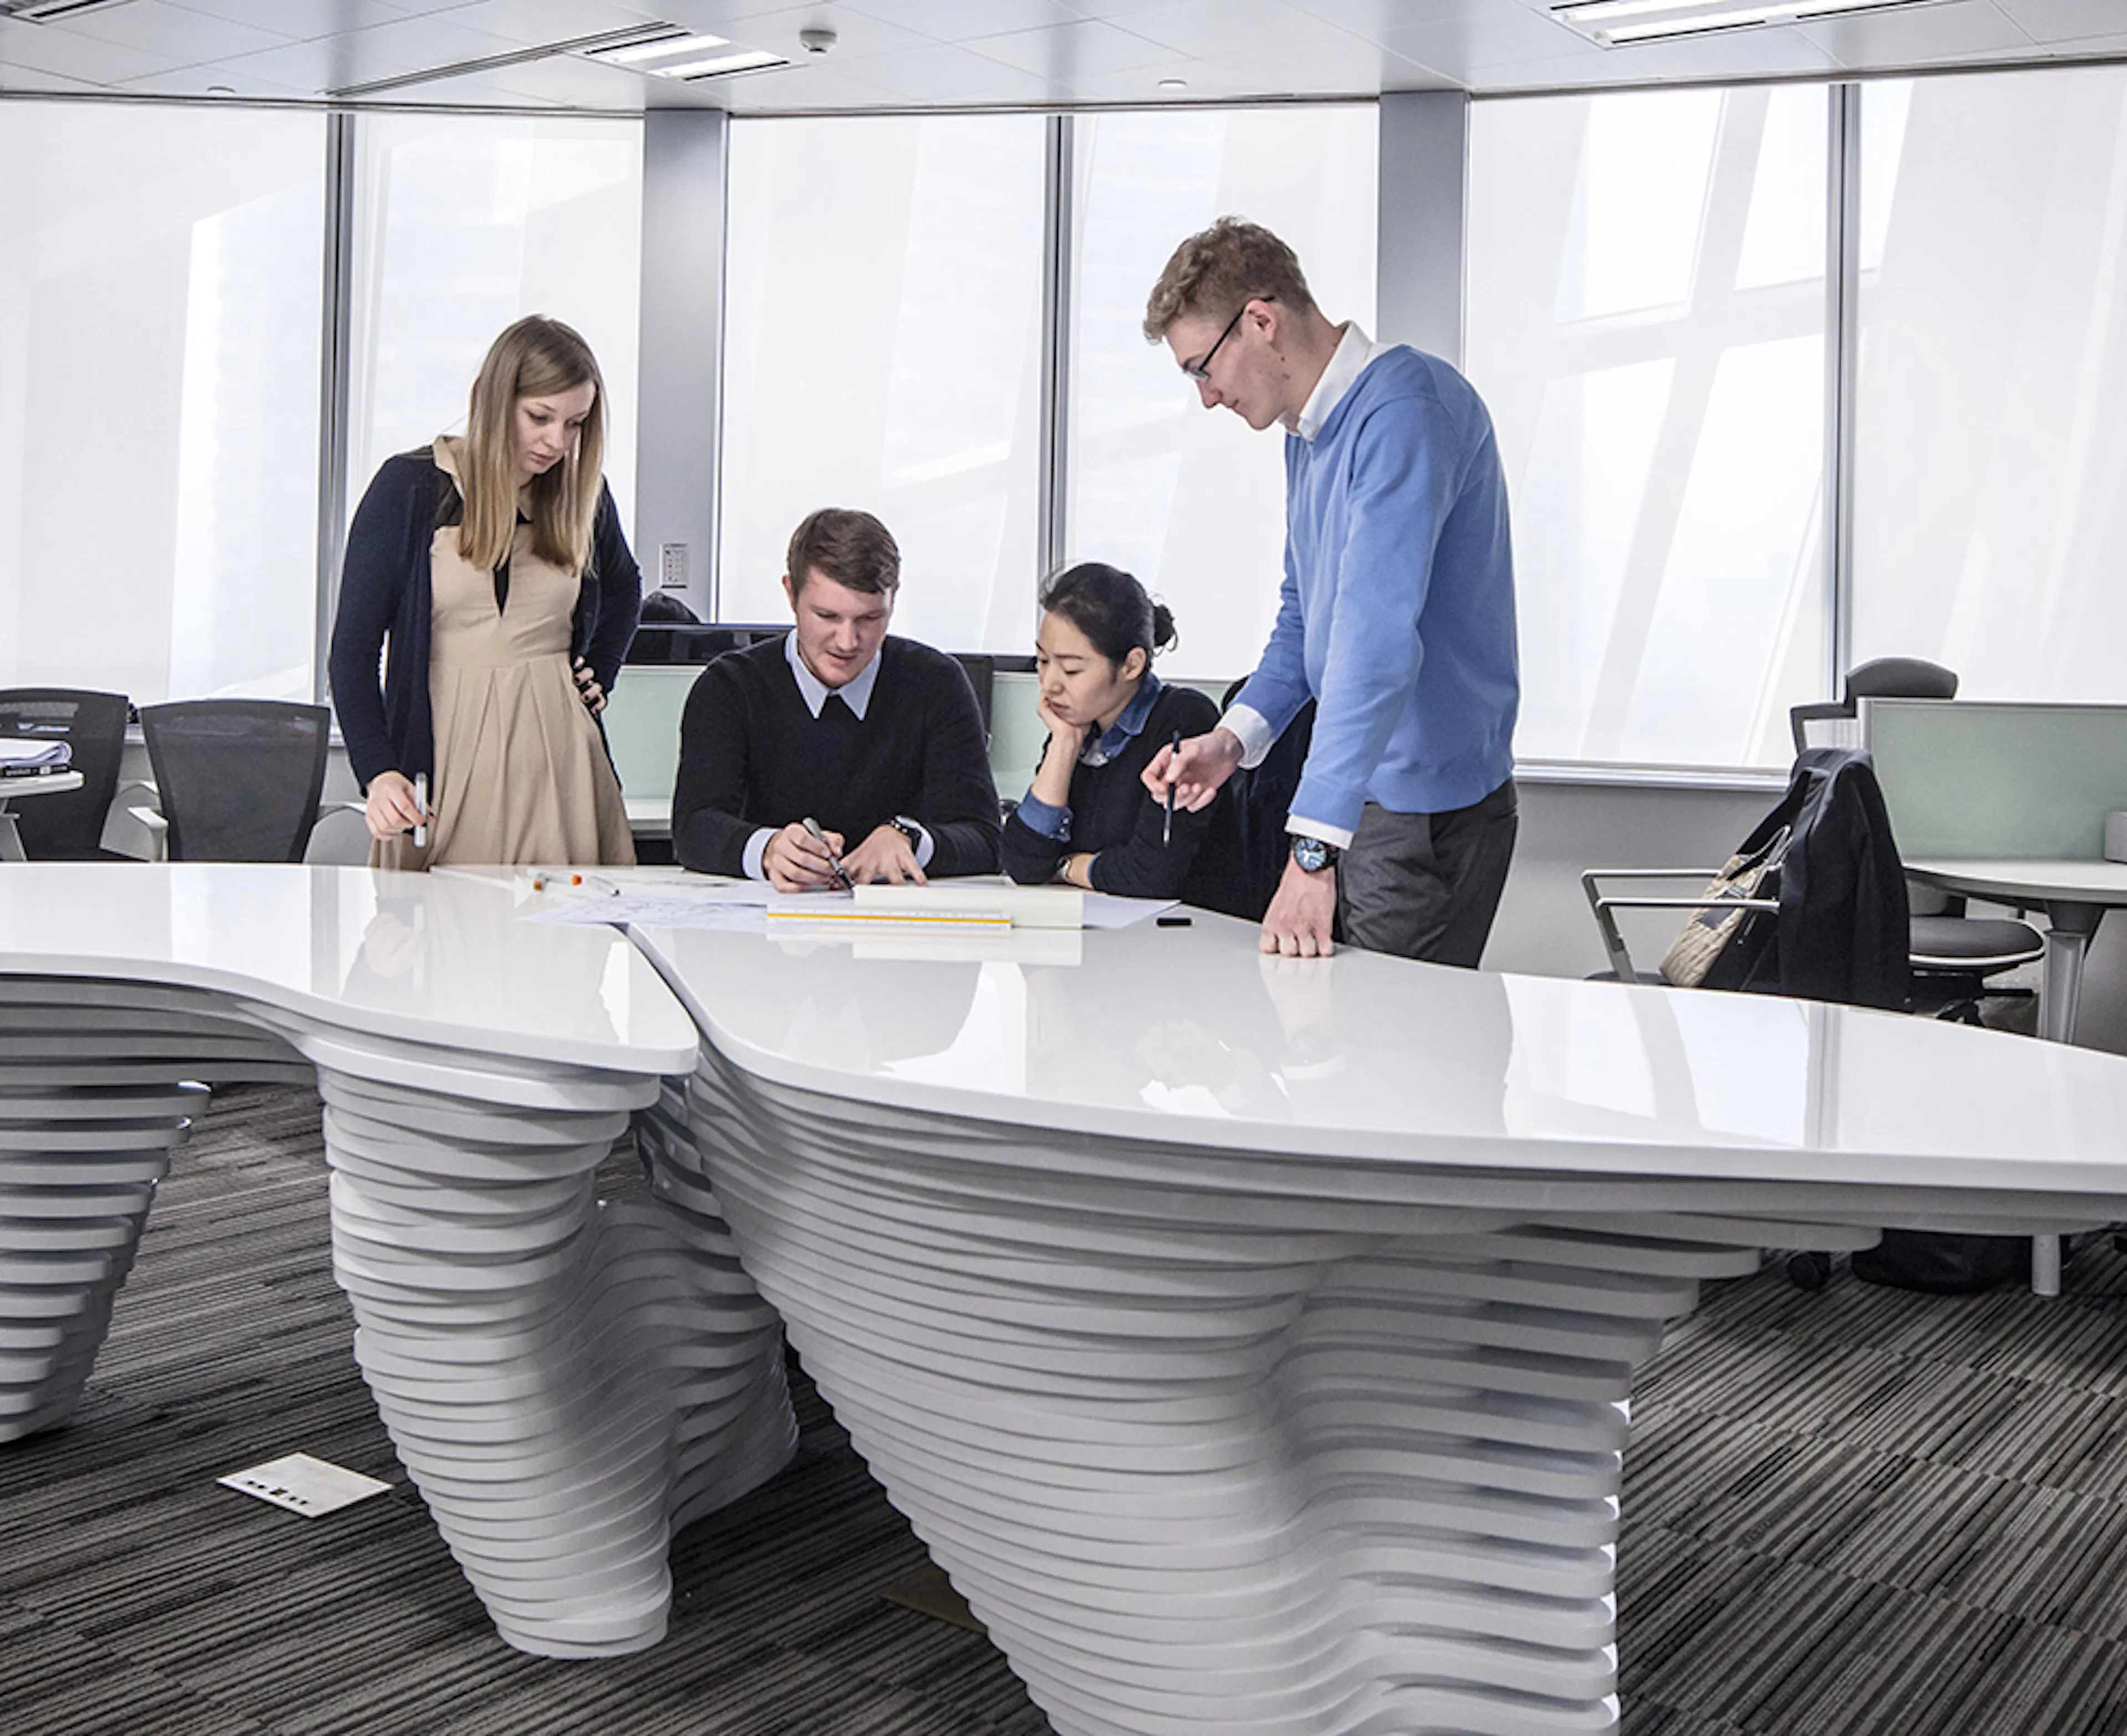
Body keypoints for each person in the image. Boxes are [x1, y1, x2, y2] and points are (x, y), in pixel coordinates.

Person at [1141, 217, 1519, 964]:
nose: (1208, 398)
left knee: (1385, 1061)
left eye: (1202, 369)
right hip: (1370, 801)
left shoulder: (1405, 412)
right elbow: (1305, 617)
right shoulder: (1308, 434)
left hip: (1418, 812)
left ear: (1260, 321)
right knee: (1345, 1046)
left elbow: (1374, 647)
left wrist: (1311, 853)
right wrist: (1234, 738)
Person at [328, 314, 641, 870]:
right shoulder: (410, 489)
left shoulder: (582, 495)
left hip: (563, 766)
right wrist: (378, 773)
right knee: (436, 943)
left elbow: (624, 587)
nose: (557, 442)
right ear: (495, 400)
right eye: (540, 417)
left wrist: (602, 669)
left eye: (576, 424)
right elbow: (352, 652)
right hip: (443, 759)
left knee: (561, 948)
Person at [671, 507, 1000, 889]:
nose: (848, 642)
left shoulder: (936, 684)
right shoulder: (729, 687)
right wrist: (769, 849)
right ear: (791, 594)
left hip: (895, 929)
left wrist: (908, 839)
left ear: (893, 603)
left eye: (869, 619)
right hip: (766, 923)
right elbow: (694, 828)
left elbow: (985, 838)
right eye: (827, 616)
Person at [1002, 562, 1246, 916]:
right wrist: (1064, 746)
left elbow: (1152, 875)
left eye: (1071, 669)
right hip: (1102, 938)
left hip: (1187, 939)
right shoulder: (1078, 725)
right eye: (1041, 661)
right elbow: (1023, 863)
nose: (1050, 683)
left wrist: (1063, 866)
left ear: (1132, 665)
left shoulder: (1184, 720)